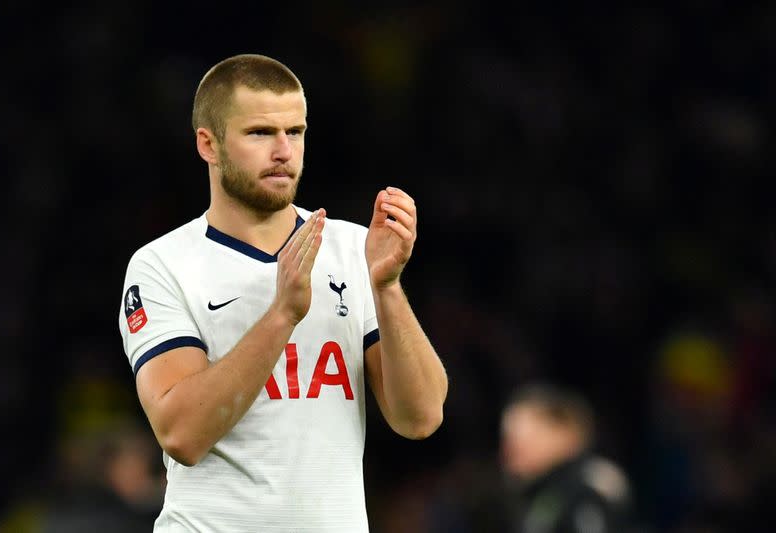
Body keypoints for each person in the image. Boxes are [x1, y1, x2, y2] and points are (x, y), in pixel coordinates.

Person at [117, 53, 448, 532]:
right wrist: (280, 316)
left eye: (294, 132)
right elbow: (182, 434)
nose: (283, 151)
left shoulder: (353, 248)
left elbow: (419, 418)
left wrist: (388, 287)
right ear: (208, 145)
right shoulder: (163, 265)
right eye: (259, 133)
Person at [499, 383, 635, 533]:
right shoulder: (541, 494)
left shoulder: (584, 490)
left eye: (520, 442)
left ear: (559, 435)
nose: (507, 453)